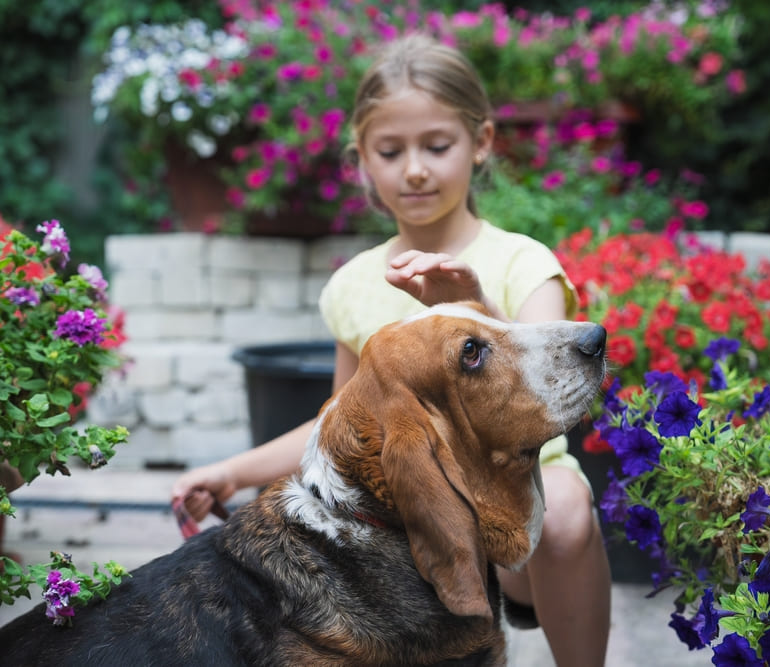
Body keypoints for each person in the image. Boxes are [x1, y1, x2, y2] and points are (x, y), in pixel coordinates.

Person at [172, 34, 611, 667]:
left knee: (569, 508)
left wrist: (478, 308)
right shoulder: (355, 284)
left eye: (437, 146)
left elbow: (552, 390)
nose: (414, 168)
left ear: (481, 143)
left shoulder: (521, 261)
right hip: (407, 517)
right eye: (390, 150)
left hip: (511, 500)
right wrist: (231, 472)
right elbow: (337, 419)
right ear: (362, 161)